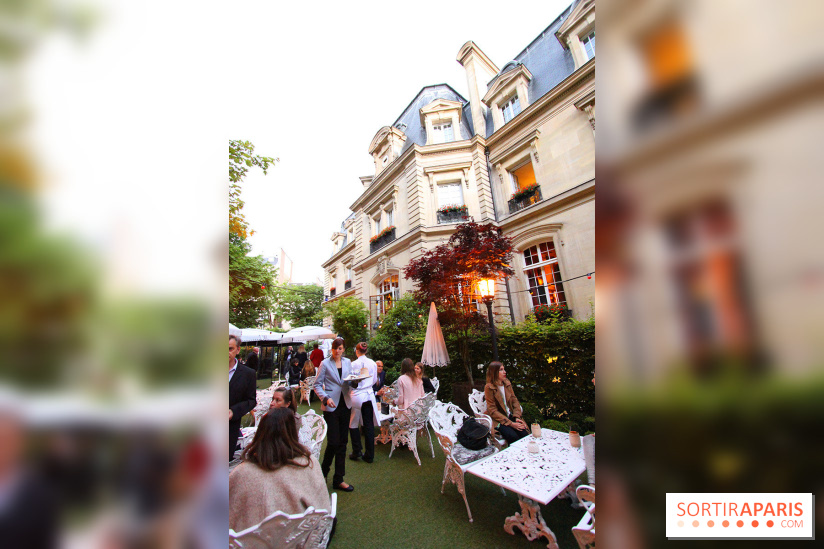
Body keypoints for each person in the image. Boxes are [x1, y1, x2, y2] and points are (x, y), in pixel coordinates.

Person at [229, 408, 331, 533]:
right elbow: (324, 512)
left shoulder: (241, 472)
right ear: (293, 433)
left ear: (261, 432)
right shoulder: (308, 464)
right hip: (297, 541)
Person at [313, 338, 355, 492]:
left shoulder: (348, 362)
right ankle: (323, 472)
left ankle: (339, 479)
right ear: (332, 349)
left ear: (344, 349)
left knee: (343, 442)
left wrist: (355, 382)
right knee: (333, 442)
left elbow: (349, 381)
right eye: (335, 348)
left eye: (340, 348)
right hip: (331, 405)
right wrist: (325, 398)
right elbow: (317, 385)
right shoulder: (325, 363)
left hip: (345, 404)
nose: (338, 351)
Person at [348, 342, 379, 463]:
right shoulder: (372, 363)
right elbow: (375, 379)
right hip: (368, 395)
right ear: (366, 351)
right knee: (368, 424)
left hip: (357, 394)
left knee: (353, 423)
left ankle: (357, 450)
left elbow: (350, 380)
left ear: (357, 351)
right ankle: (369, 454)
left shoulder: (353, 364)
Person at [484, 361, 529, 444]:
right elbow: (492, 410)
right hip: (498, 419)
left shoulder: (507, 383)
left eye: (504, 369)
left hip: (509, 415)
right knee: (512, 436)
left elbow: (514, 401)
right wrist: (511, 424)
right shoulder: (489, 387)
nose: (504, 372)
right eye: (501, 370)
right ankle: (514, 455)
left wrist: (517, 417)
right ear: (494, 372)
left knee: (524, 433)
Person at [229, 334, 257, 460]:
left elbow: (251, 401)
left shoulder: (248, 374)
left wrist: (233, 411)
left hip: (229, 428)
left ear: (238, 350)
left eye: (230, 349)